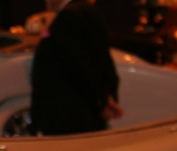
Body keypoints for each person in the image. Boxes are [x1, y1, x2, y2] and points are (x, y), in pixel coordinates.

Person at [30, 0, 123, 136]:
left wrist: (102, 101)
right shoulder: (87, 11)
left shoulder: (68, 16)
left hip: (68, 114)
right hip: (82, 112)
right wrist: (107, 97)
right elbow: (102, 59)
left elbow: (78, 64)